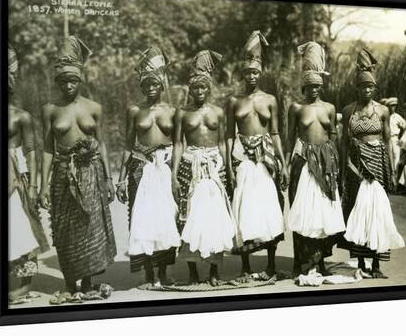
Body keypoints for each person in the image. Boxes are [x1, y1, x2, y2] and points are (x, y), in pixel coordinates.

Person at [38, 36, 117, 302]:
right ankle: (72, 284)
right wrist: (41, 186)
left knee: (90, 226)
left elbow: (102, 144)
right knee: (66, 230)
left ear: (81, 80)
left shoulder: (94, 108)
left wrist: (107, 178)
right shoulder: (50, 110)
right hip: (62, 175)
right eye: (63, 81)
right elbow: (48, 148)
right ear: (58, 82)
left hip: (91, 172)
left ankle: (89, 280)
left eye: (73, 80)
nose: (69, 85)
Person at [116, 46, 180, 287]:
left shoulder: (172, 112)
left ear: (162, 85)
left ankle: (163, 273)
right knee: (142, 219)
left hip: (164, 166)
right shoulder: (135, 110)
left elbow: (178, 143)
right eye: (147, 85)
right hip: (140, 168)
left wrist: (176, 175)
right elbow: (127, 144)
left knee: (166, 219)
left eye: (155, 84)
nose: (151, 88)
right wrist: (121, 179)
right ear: (142, 86)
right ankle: (148, 275)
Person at [171, 50, 236, 286]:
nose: (198, 92)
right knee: (189, 218)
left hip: (214, 167)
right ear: (190, 89)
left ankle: (214, 271)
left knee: (214, 218)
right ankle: (192, 270)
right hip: (190, 165)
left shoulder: (218, 112)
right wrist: (173, 175)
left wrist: (228, 168)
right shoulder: (182, 113)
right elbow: (178, 143)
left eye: (202, 87)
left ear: (208, 88)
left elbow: (222, 142)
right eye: (195, 88)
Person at [226, 31, 287, 280]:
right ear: (242, 75)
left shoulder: (270, 100)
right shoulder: (233, 101)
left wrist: (282, 162)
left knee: (269, 206)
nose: (251, 76)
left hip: (266, 157)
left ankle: (271, 262)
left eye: (255, 72)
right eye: (247, 73)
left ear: (260, 73)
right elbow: (229, 134)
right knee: (244, 205)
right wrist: (230, 166)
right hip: (242, 157)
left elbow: (275, 132)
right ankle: (245, 265)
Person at [340, 48, 405, 279]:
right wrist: (343, 171)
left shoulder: (383, 111)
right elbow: (345, 144)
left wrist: (392, 170)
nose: (366, 90)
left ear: (374, 88)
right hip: (355, 166)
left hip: (378, 164)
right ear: (356, 88)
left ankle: (376, 264)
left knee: (378, 212)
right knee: (358, 212)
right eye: (362, 86)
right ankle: (359, 261)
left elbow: (387, 142)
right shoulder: (349, 111)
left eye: (370, 87)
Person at [286, 42, 346, 276]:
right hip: (303, 163)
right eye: (309, 85)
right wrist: (285, 166)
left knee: (323, 213)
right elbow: (289, 138)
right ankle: (298, 262)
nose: (313, 90)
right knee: (301, 212)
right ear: (303, 85)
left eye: (317, 86)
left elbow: (334, 139)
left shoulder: (330, 108)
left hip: (326, 163)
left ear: (321, 86)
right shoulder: (296, 107)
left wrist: (337, 167)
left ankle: (320, 262)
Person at [8, 45, 42, 303]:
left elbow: (31, 151)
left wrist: (32, 186)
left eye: (10, 77)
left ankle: (24, 283)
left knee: (22, 225)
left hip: (15, 177)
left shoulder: (21, 117)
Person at [385, 97, 406, 174]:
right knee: (386, 159)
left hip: (395, 139)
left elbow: (405, 128)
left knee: (396, 159)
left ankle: (395, 181)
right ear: (388, 106)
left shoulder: (397, 117)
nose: (393, 107)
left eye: (394, 106)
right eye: (391, 106)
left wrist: (401, 140)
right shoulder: (385, 116)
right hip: (386, 140)